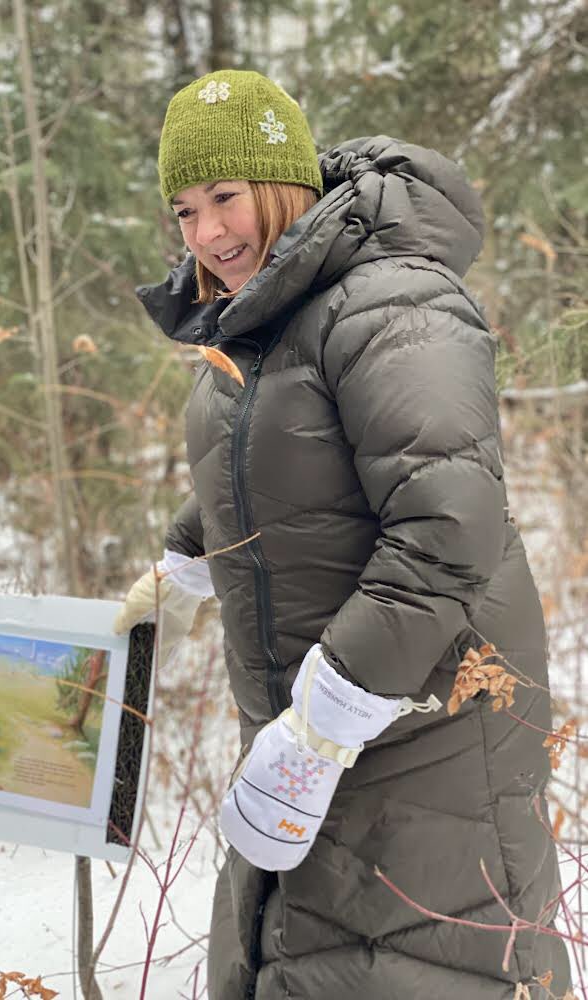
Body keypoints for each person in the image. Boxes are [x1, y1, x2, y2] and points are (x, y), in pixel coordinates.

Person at [113, 69, 570, 999]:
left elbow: (446, 521)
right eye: (184, 210)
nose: (206, 235)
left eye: (227, 199)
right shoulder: (262, 323)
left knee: (419, 969)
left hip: (419, 732)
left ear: (281, 184)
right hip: (312, 729)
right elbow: (288, 462)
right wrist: (186, 552)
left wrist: (328, 717)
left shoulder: (392, 301)